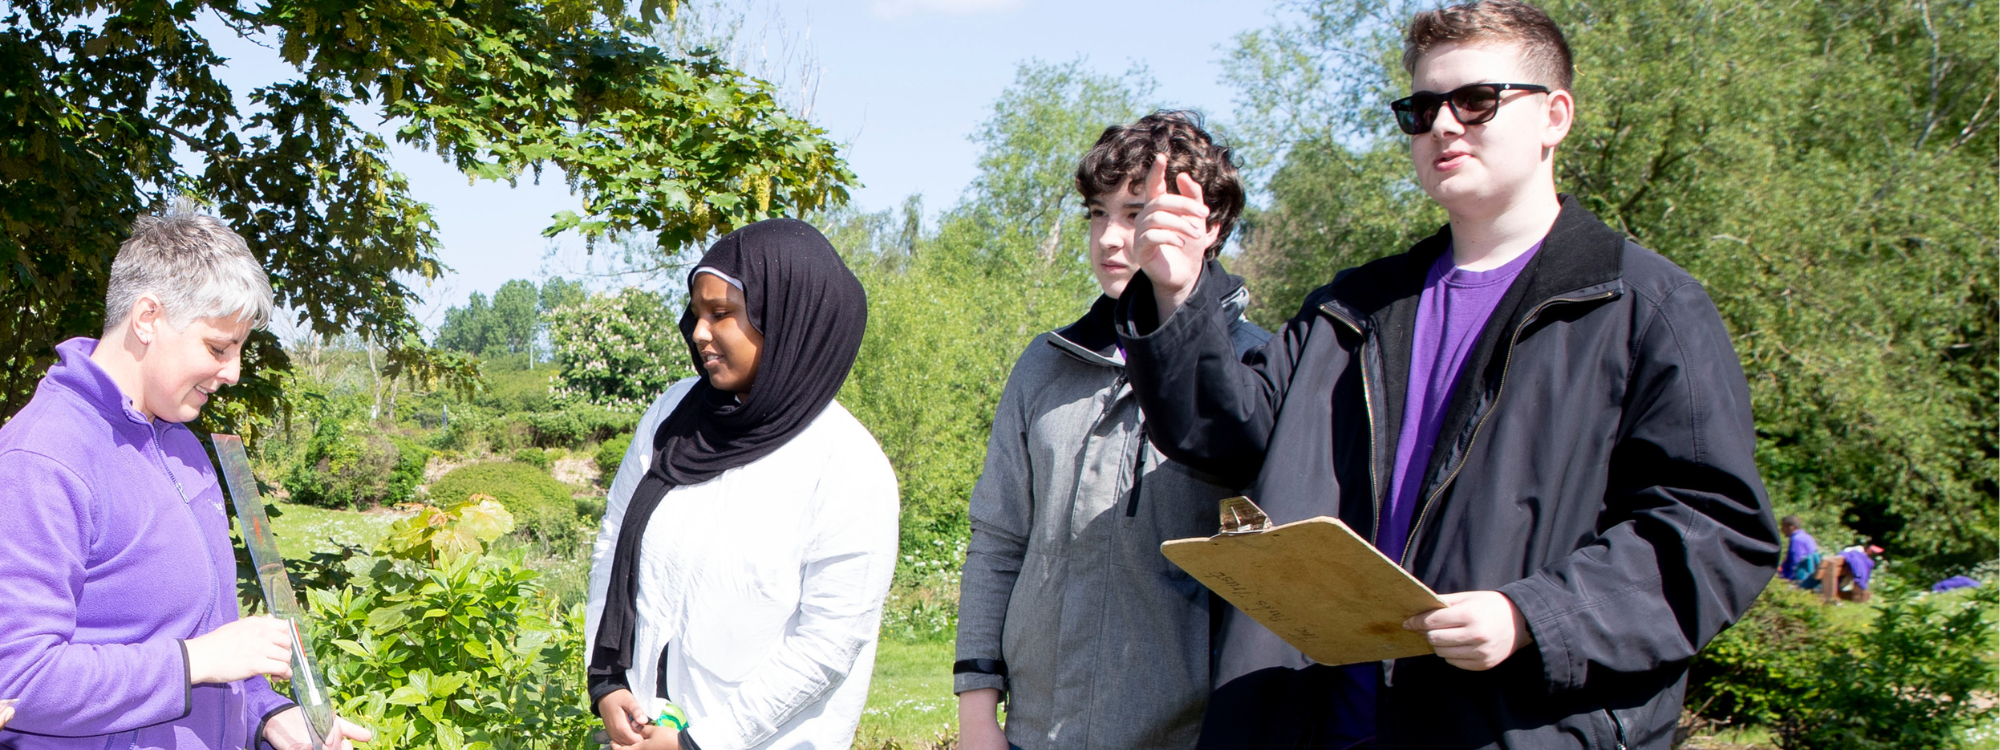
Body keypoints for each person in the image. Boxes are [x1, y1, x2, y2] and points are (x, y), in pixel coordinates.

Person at [1108, 2, 1780, 747]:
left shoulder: (1644, 307)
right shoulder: (1353, 306)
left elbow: (1715, 532)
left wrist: (1532, 616)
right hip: (1314, 723)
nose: (1444, 126)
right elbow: (1225, 441)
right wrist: (1178, 292)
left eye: (1476, 100)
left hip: (1509, 725)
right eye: (1422, 109)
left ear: (1555, 115)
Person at [952, 111, 1271, 750]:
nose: (1110, 238)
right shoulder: (1048, 364)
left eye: (1136, 213)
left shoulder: (1259, 369)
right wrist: (978, 716)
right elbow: (997, 540)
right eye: (1098, 213)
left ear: (1209, 224)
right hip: (1033, 733)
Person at [0, 211, 372, 750]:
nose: (234, 372)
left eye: (239, 350)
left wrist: (267, 714)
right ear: (147, 317)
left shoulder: (183, 446)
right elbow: (18, 679)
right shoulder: (42, 460)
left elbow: (210, 637)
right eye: (218, 348)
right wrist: (195, 662)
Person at [585, 218, 899, 750]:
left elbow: (827, 644)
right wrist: (607, 682)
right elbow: (615, 545)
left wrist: (701, 743)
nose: (699, 331)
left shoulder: (846, 466)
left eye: (723, 314)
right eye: (697, 312)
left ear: (788, 320)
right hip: (644, 731)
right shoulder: (672, 417)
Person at [1779, 515, 1823, 589]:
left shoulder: (1796, 540)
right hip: (1810, 576)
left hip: (1800, 579)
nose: (1781, 529)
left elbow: (1796, 563)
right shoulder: (1807, 537)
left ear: (1791, 527)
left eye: (1783, 526)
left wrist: (1785, 579)